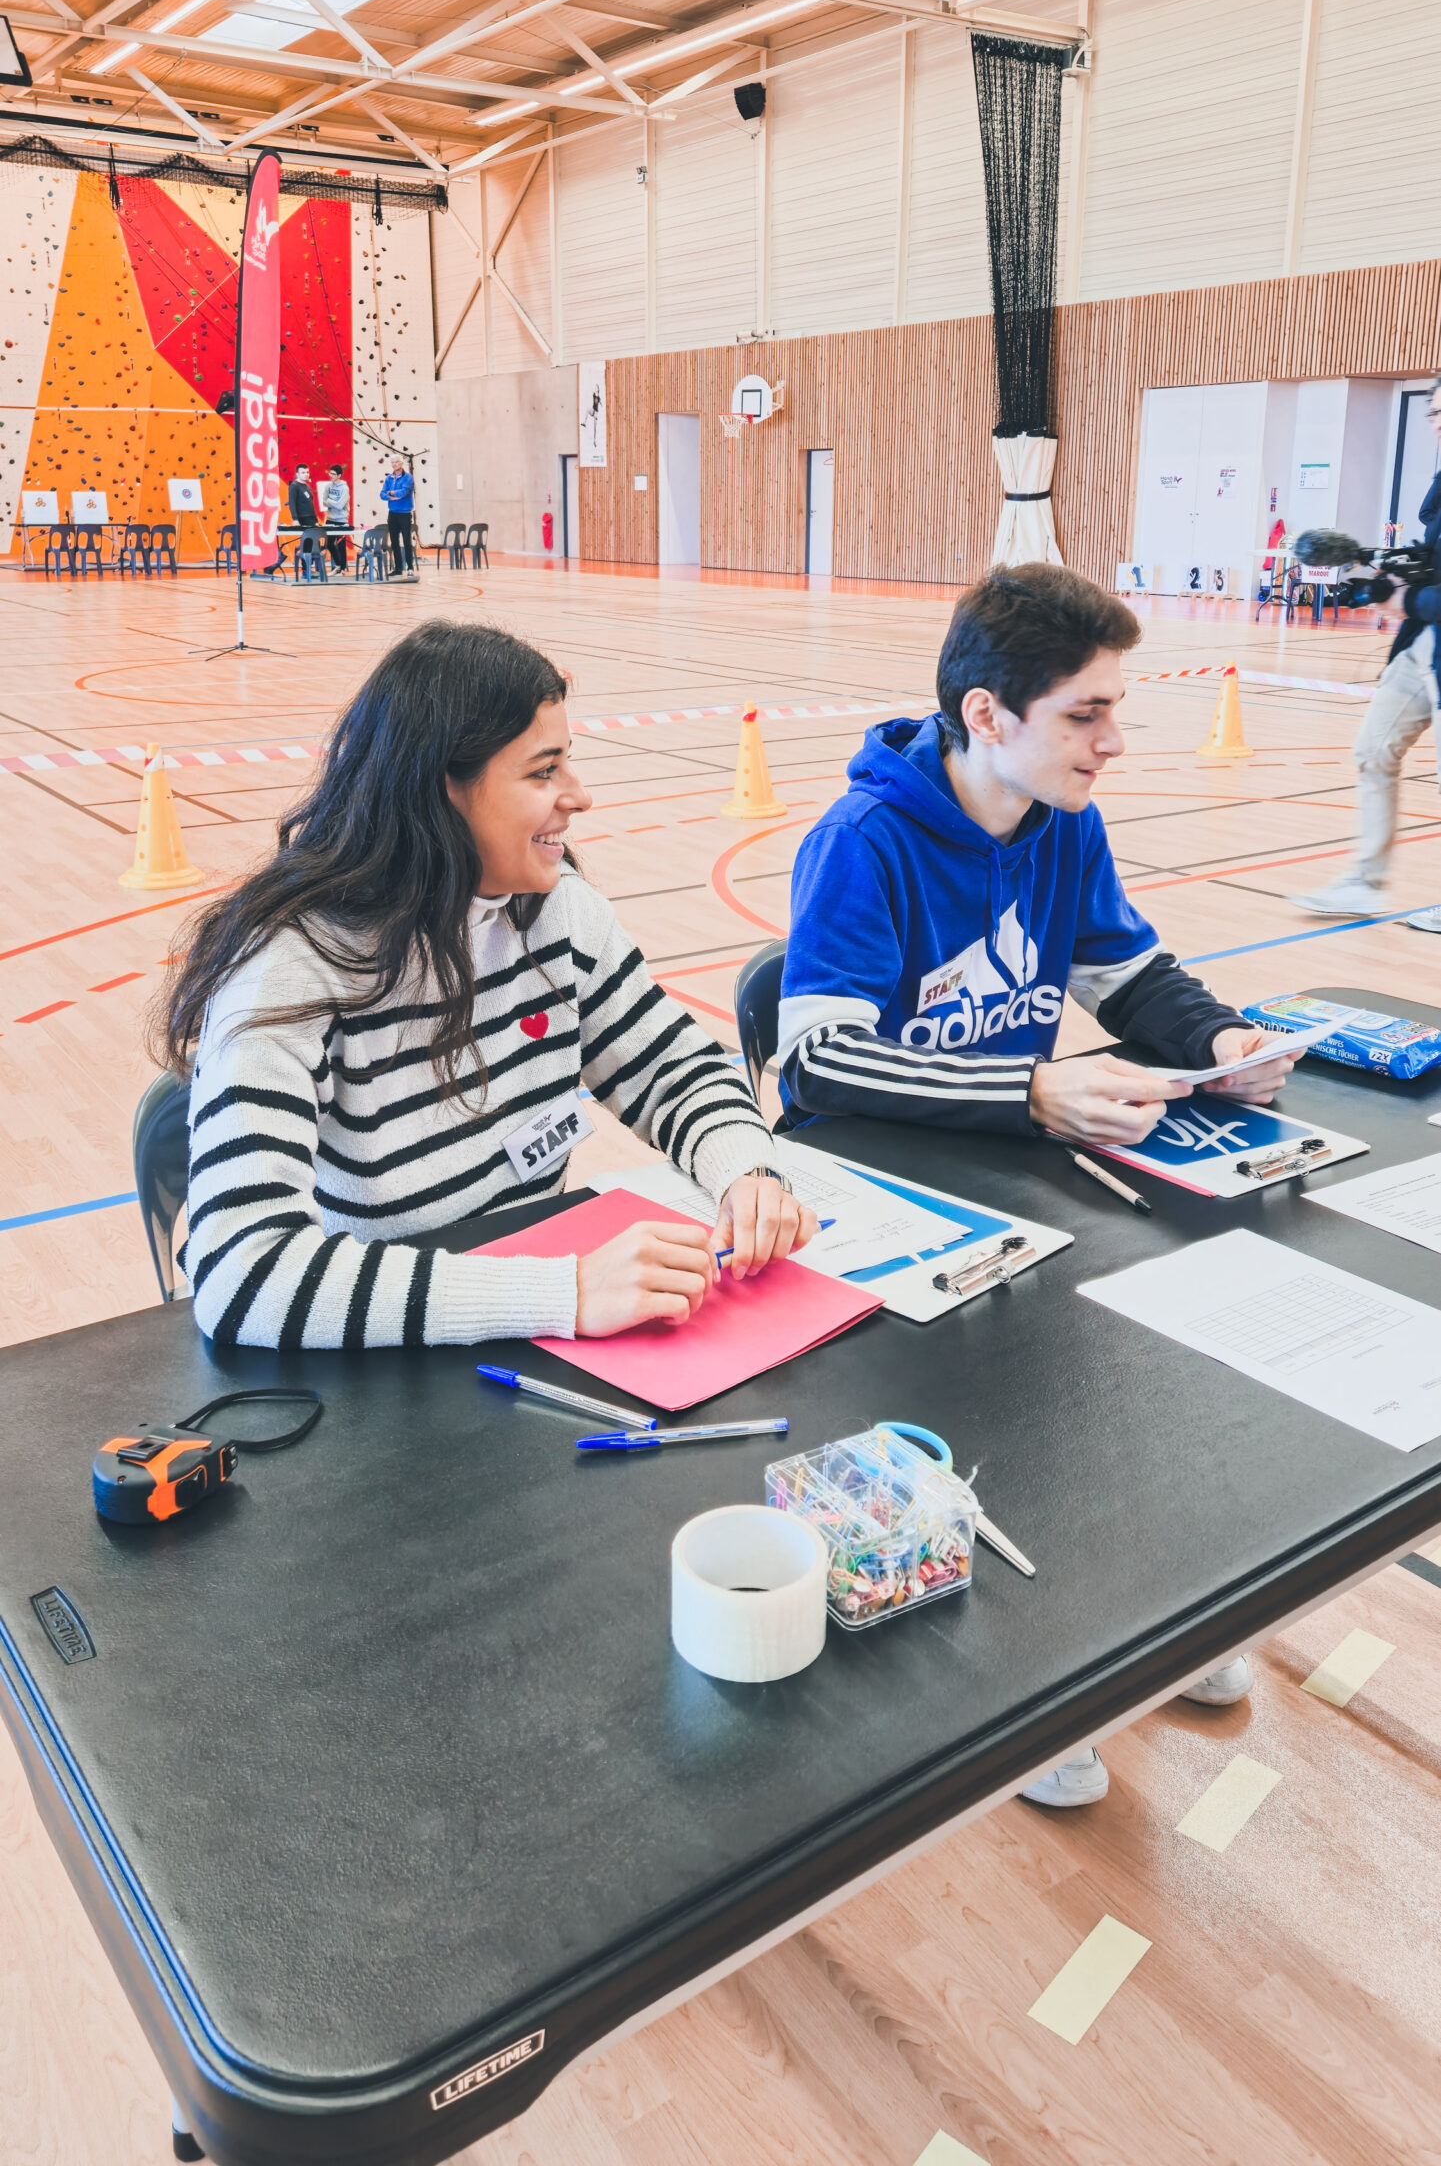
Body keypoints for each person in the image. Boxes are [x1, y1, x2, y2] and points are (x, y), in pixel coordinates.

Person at [776, 564, 1289, 1804]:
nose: (1112, 742)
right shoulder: (861, 843)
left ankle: (1139, 1626)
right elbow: (816, 1057)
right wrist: (1025, 1094)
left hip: (1013, 1176)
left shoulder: (1066, 827)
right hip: (878, 1198)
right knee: (1013, 1414)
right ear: (986, 716)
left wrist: (1217, 1039)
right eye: (1083, 714)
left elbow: (1129, 975)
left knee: (1121, 1382)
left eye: (1113, 709)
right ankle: (1037, 1679)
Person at [157, 623, 813, 1351]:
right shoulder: (289, 968)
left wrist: (746, 1173)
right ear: (445, 792)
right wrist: (563, 1291)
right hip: (364, 1368)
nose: (578, 796)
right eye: (543, 772)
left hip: (518, 1340)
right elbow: (242, 1275)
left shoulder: (557, 910)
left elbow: (674, 1072)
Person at [1292, 378, 1441, 931]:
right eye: (1434, 412)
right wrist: (1377, 564)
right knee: (1372, 753)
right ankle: (1363, 882)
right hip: (1421, 648)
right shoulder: (1439, 483)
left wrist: (1410, 599)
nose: (1439, 420)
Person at [287, 463, 326, 582]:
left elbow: (311, 506)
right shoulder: (294, 486)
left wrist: (315, 521)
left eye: (307, 472)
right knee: (306, 545)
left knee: (314, 545)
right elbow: (292, 503)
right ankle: (305, 570)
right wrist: (295, 519)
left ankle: (311, 568)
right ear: (297, 474)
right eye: (303, 472)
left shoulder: (307, 487)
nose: (306, 474)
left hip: (310, 519)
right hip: (302, 519)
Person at [381, 457, 417, 579]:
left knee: (407, 541)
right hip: (392, 513)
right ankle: (398, 569)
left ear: (401, 463)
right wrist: (391, 495)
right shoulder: (388, 478)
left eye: (396, 462)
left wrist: (391, 493)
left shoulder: (408, 478)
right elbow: (382, 494)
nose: (394, 464)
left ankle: (410, 567)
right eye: (392, 462)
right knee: (394, 541)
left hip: (405, 513)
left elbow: (404, 492)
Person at [321, 464, 350, 572]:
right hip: (330, 519)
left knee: (341, 545)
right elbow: (324, 502)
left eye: (333, 474)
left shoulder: (344, 488)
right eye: (330, 473)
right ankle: (338, 565)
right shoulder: (328, 486)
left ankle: (342, 568)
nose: (331, 475)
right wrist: (333, 503)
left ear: (339, 475)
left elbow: (340, 505)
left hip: (341, 520)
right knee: (329, 543)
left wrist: (330, 502)